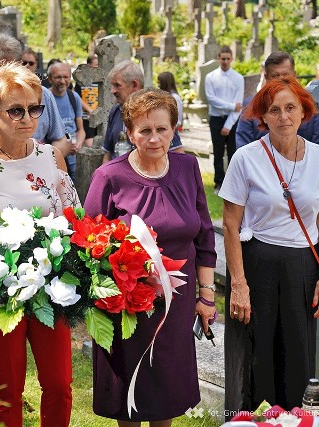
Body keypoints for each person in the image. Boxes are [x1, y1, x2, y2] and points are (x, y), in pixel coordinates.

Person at [0, 62, 80, 426]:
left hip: (50, 289)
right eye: (16, 110)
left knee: (59, 382)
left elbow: (73, 219)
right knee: (9, 385)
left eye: (34, 108)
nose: (27, 118)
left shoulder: (50, 157)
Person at [84, 89, 217, 425]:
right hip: (127, 302)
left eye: (162, 129)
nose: (154, 138)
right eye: (144, 130)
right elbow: (87, 243)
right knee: (129, 389)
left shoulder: (188, 168)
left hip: (177, 300)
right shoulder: (110, 177)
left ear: (175, 130)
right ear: (129, 134)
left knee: (166, 389)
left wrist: (206, 295)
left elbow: (203, 236)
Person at [219, 77, 319, 414]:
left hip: (303, 267)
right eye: (274, 110)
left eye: (291, 108)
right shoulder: (246, 158)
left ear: (304, 112)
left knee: (297, 352)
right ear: (264, 117)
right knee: (254, 352)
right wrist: (239, 286)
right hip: (257, 263)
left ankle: (294, 419)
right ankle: (247, 419)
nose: (283, 116)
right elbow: (230, 224)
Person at [0, 33, 71, 158]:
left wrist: (43, 161)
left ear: (20, 64)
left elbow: (61, 140)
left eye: (33, 109)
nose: (6, 75)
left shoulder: (44, 95)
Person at [236, 51, 319, 150]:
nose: (281, 80)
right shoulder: (250, 107)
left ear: (294, 75)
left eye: (285, 75)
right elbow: (244, 149)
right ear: (266, 77)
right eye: (275, 76)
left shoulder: (310, 105)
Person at [103, 61, 182, 163]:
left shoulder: (157, 112)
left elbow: (177, 154)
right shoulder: (115, 111)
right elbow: (108, 153)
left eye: (117, 85)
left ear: (134, 85)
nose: (112, 91)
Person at [205, 46, 244, 193]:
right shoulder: (211, 77)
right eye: (223, 59)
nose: (226, 61)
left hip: (232, 120)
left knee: (233, 153)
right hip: (216, 119)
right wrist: (231, 106)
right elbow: (212, 99)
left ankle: (233, 183)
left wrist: (228, 125)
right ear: (218, 59)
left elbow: (238, 105)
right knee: (218, 153)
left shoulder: (238, 78)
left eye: (228, 59)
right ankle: (218, 182)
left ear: (232, 59)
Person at [47, 61, 85, 181]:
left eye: (66, 77)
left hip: (73, 155)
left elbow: (80, 129)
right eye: (58, 77)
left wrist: (77, 145)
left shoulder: (74, 97)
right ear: (49, 79)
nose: (62, 81)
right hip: (53, 155)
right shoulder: (45, 98)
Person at [75, 54, 99, 146]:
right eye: (95, 65)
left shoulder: (100, 81)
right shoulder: (82, 81)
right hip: (86, 117)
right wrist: (90, 111)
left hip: (99, 116)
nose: (97, 68)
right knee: (90, 145)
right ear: (89, 65)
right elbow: (78, 97)